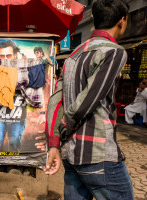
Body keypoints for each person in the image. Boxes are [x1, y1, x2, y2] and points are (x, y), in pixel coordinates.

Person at [35, 0, 134, 199]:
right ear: (122, 21)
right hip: (97, 154)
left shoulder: (73, 55)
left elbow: (56, 100)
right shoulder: (114, 52)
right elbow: (88, 99)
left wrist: (54, 143)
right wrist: (64, 126)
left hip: (71, 155)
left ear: (94, 20)